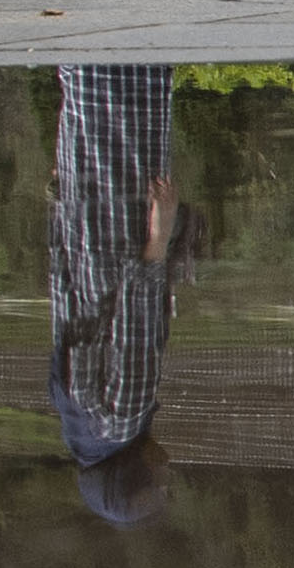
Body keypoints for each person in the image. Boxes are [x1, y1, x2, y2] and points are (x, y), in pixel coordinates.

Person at [44, 63, 194, 525]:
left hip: (120, 229)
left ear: (132, 472)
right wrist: (57, 205)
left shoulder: (123, 420)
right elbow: (62, 301)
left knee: (128, 102)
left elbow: (135, 322)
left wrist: (160, 235)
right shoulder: (76, 415)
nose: (165, 473)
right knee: (88, 109)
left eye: (156, 482)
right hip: (82, 231)